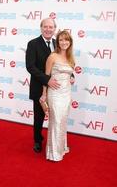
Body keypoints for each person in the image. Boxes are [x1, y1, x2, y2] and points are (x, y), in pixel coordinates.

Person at [25, 18, 60, 153]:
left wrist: (71, 75)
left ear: (54, 29)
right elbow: (31, 67)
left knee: (56, 115)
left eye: (51, 27)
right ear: (41, 28)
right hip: (39, 87)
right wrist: (47, 80)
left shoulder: (58, 44)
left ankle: (55, 140)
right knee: (39, 117)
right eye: (45, 26)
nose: (48, 29)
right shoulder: (33, 44)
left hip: (56, 88)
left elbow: (63, 62)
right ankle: (38, 140)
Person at [40, 30, 75, 161]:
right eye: (61, 40)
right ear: (57, 42)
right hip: (54, 94)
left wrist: (71, 77)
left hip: (66, 93)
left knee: (62, 121)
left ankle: (61, 147)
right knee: (56, 121)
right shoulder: (52, 57)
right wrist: (44, 94)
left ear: (70, 42)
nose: (64, 42)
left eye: (67, 40)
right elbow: (46, 76)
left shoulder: (71, 57)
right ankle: (54, 153)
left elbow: (69, 73)